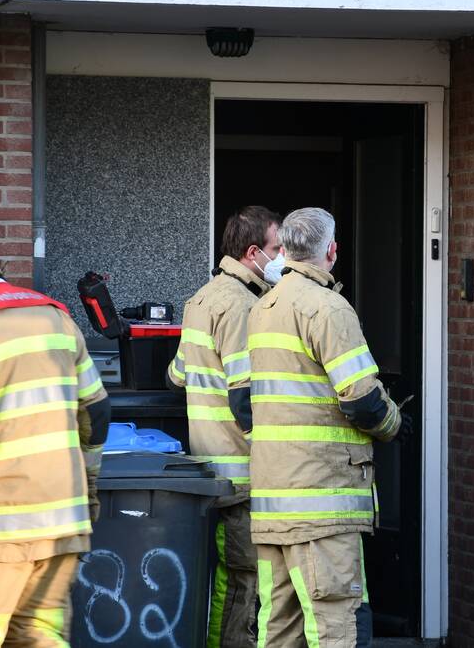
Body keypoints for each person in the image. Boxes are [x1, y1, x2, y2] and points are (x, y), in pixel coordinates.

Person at [0, 209, 111, 647]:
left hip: (1, 535)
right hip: (62, 524)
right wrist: (87, 494)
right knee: (42, 638)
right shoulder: (53, 313)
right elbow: (96, 413)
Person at [248, 207, 410, 648]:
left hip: (272, 503)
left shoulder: (263, 307)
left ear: (284, 249)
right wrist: (396, 424)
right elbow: (361, 399)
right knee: (335, 623)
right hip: (323, 504)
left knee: (278, 627)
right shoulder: (328, 308)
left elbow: (244, 402)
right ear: (332, 250)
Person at [166, 205, 282, 648]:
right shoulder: (243, 307)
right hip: (241, 476)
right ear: (253, 253)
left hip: (208, 468)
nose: (281, 258)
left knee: (223, 578)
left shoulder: (202, 299)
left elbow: (177, 376)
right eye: (276, 248)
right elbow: (245, 398)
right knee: (243, 582)